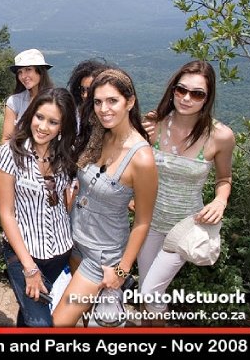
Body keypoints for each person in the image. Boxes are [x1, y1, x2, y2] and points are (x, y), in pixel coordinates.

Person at [52, 68, 158, 327]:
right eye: (98, 102)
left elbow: (143, 221)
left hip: (102, 257)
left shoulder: (141, 158)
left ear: (129, 102)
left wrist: (122, 270)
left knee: (59, 323)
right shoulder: (100, 136)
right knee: (87, 316)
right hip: (76, 241)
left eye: (112, 101)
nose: (104, 109)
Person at [137, 60, 235, 322]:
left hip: (185, 226)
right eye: (181, 90)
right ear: (173, 90)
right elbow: (133, 167)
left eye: (197, 93)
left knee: (150, 292)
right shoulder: (153, 124)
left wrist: (220, 201)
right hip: (149, 221)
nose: (186, 98)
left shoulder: (220, 136)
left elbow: (224, 178)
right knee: (146, 290)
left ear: (207, 98)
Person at [0, 88, 78, 327]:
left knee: (30, 314)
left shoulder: (66, 155)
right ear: (31, 115)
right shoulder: (10, 153)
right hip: (23, 253)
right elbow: (6, 213)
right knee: (41, 323)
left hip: (60, 252)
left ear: (62, 127)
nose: (43, 127)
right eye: (39, 117)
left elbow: (65, 202)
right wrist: (30, 268)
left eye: (53, 122)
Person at [1, 49, 54, 143]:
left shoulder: (56, 101)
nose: (23, 76)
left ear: (40, 71)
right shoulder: (14, 101)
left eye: (28, 69)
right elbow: (6, 139)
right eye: (20, 72)